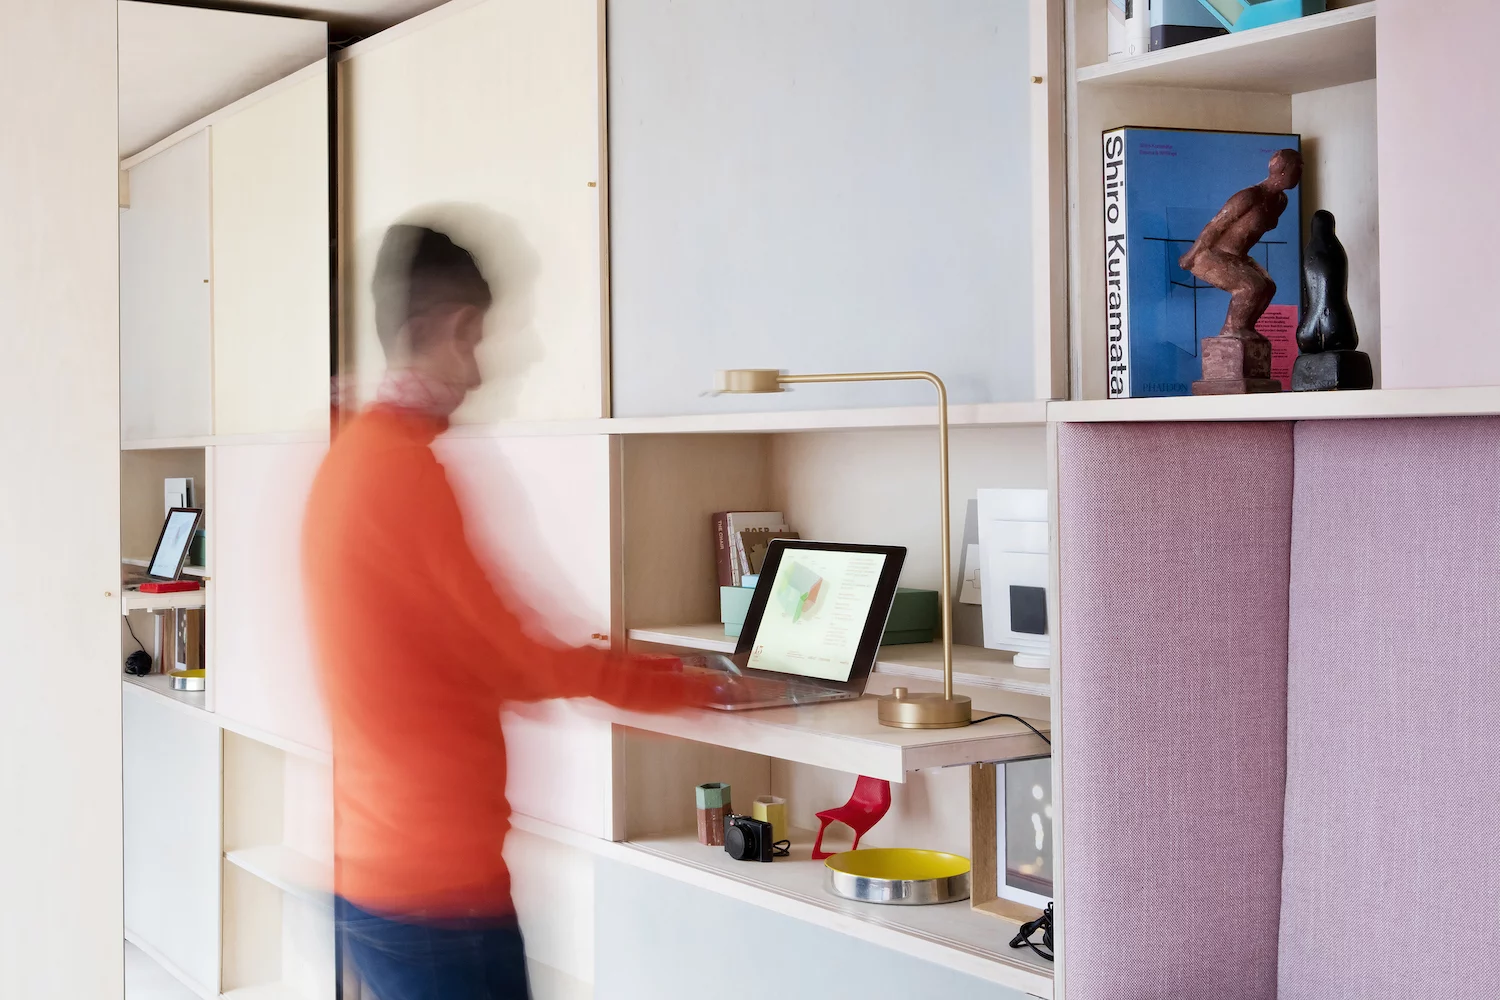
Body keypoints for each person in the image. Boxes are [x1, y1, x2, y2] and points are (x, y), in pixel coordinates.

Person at [303, 224, 716, 1000]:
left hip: (378, 864)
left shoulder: (351, 458)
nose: (485, 368)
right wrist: (691, 685)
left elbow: (460, 646)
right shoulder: (404, 472)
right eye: (479, 338)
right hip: (436, 886)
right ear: (448, 330)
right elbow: (510, 657)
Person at [1178, 148, 1303, 339]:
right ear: (1283, 171)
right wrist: (1191, 255)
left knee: (1269, 287)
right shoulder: (1250, 196)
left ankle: (1245, 330)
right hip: (1213, 254)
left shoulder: (1280, 201)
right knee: (1251, 288)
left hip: (1239, 257)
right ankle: (1232, 331)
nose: (1301, 172)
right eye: (1298, 167)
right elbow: (1215, 226)